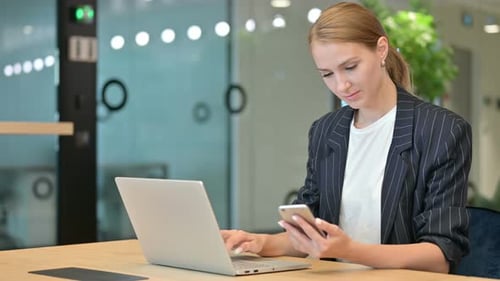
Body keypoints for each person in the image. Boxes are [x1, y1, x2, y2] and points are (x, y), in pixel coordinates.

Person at [221, 1, 472, 274]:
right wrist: (258, 242)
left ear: (381, 50)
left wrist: (350, 250)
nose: (341, 85)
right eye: (327, 74)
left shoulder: (441, 130)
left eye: (350, 67)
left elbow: (441, 254)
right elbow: (309, 232)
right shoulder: (326, 131)